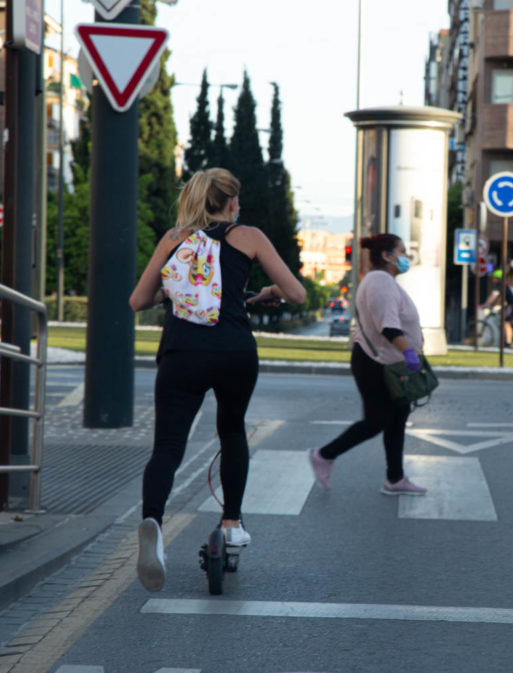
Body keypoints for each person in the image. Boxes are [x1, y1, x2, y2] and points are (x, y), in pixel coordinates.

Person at [128, 168, 306, 591]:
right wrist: (265, 293)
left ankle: (153, 519)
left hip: (181, 353)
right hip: (234, 352)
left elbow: (138, 300)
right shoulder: (250, 237)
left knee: (168, 447)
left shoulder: (174, 239)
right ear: (229, 203)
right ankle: (231, 524)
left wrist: (169, 291)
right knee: (231, 431)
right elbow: (297, 294)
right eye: (237, 200)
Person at [308, 233, 428, 496]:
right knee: (377, 420)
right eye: (402, 251)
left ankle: (395, 479)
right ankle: (324, 455)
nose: (406, 257)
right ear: (386, 255)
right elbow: (389, 327)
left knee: (397, 417)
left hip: (386, 362)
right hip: (376, 363)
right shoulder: (380, 281)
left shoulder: (385, 281)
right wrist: (410, 355)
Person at [479, 268, 513, 346]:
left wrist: (485, 305)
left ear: (498, 278)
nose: (492, 279)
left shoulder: (500, 286)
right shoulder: (506, 285)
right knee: (504, 316)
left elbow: (493, 297)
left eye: (494, 277)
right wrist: (496, 306)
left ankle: (508, 342)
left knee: (506, 322)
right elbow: (501, 298)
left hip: (512, 306)